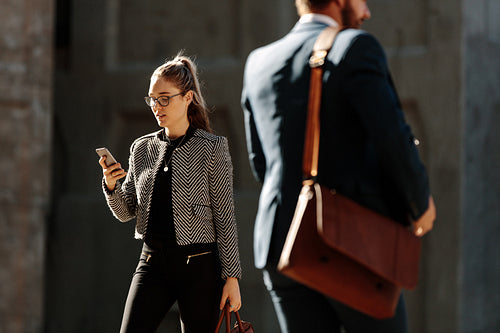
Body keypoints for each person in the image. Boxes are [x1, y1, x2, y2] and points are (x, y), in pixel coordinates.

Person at [241, 0, 436, 332]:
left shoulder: (258, 61)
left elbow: (261, 163)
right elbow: (392, 138)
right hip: (352, 248)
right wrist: (420, 205)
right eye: (362, 1)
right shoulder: (356, 46)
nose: (366, 12)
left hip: (282, 246)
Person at [98, 54, 242, 333]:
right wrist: (112, 184)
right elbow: (125, 212)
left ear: (188, 97)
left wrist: (232, 278)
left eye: (164, 98)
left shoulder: (212, 147)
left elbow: (225, 218)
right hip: (151, 263)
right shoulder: (142, 148)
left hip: (199, 268)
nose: (156, 106)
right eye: (152, 98)